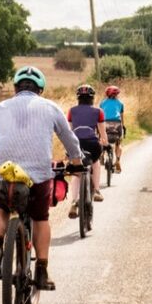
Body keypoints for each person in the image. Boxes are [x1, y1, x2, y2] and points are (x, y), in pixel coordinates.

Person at [0, 65, 83, 291]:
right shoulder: (51, 107)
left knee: (1, 206)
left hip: (3, 170)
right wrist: (76, 161)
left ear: (15, 88)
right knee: (40, 217)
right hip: (38, 173)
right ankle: (41, 270)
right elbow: (69, 139)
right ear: (40, 89)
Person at [67, 84, 108, 217]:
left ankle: (74, 201)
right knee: (95, 163)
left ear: (78, 98)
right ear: (92, 98)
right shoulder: (98, 111)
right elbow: (102, 132)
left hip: (75, 144)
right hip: (92, 144)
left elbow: (69, 131)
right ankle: (96, 190)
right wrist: (105, 143)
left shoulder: (71, 111)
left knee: (76, 172)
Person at [99, 85, 126, 173]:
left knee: (102, 139)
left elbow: (100, 116)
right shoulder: (120, 103)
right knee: (118, 144)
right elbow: (121, 117)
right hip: (117, 124)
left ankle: (102, 155)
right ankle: (117, 160)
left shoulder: (102, 103)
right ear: (117, 94)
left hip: (105, 123)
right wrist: (123, 126)